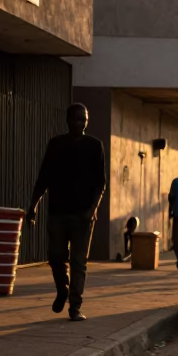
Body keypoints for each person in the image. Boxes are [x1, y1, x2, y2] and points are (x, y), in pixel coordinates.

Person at [27, 103, 107, 321]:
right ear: (68, 120)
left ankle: (75, 306)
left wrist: (93, 209)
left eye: (85, 119)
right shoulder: (56, 144)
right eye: (78, 119)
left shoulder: (95, 146)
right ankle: (62, 290)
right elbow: (43, 178)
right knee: (55, 257)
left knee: (79, 262)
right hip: (58, 213)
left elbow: (101, 183)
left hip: (83, 215)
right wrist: (32, 206)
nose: (82, 123)